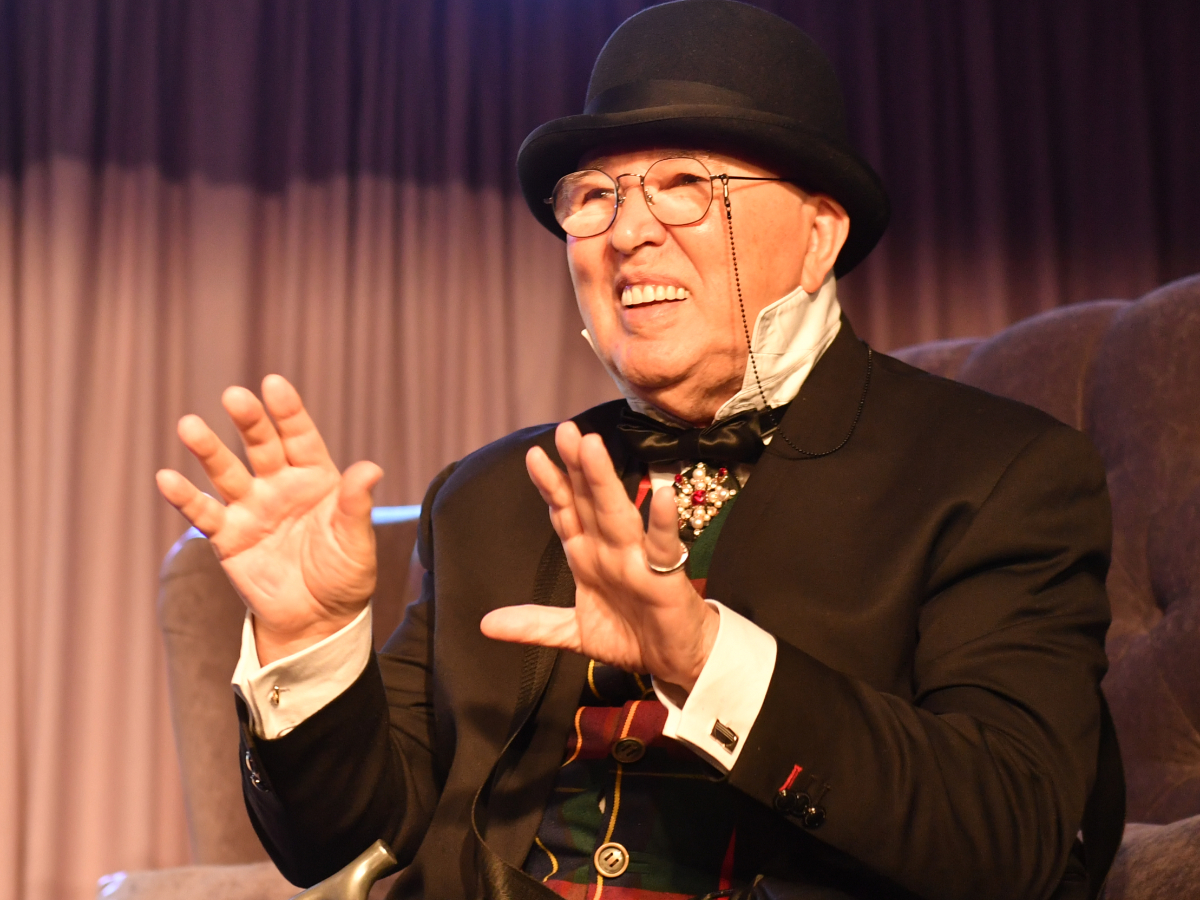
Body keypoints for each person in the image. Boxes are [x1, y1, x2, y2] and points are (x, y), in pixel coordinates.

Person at [155, 3, 1123, 899]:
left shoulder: (999, 476)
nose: (627, 233)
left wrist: (706, 659)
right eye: (594, 196)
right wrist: (312, 641)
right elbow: (339, 835)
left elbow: (1015, 834)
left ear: (820, 235)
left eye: (685, 185)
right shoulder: (489, 496)